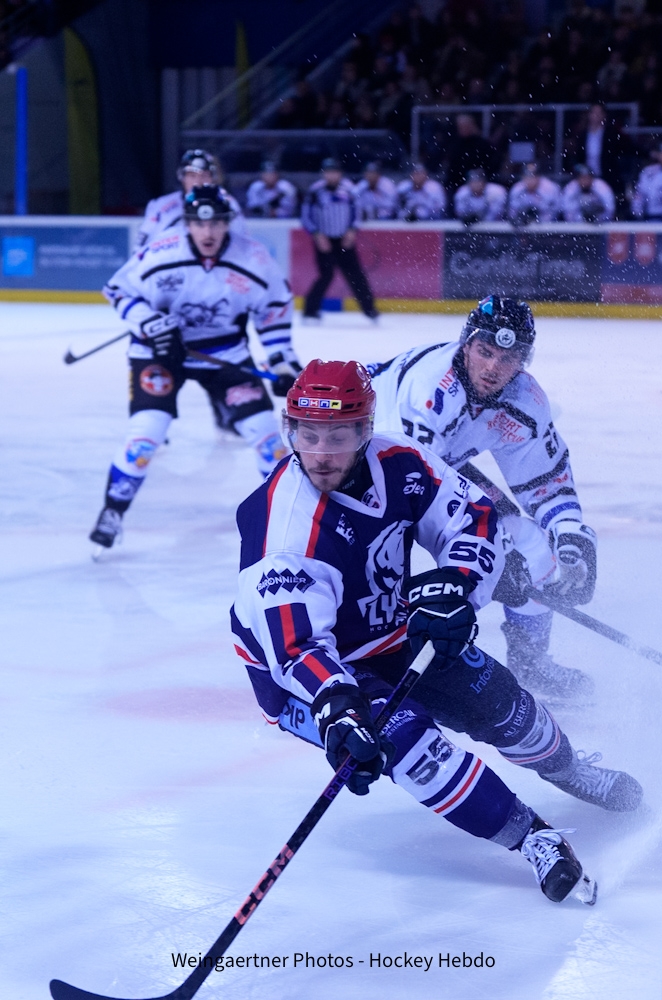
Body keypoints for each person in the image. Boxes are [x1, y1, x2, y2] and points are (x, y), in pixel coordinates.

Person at [231, 359, 603, 907]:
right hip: (307, 675)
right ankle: (535, 839)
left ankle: (570, 769)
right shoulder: (280, 528)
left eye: (339, 434)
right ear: (290, 432)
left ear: (364, 430)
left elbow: (472, 519)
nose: (322, 452)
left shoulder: (398, 459)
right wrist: (337, 707)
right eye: (308, 435)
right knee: (407, 743)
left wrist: (456, 584)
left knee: (504, 704)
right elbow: (296, 645)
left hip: (390, 629)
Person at [369, 295, 602, 702]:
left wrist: (570, 533)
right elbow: (412, 495)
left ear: (524, 361)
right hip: (356, 457)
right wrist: (491, 553)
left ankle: (531, 663)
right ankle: (367, 657)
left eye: (508, 358)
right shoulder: (430, 395)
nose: (494, 367)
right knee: (376, 562)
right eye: (485, 351)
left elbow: (544, 481)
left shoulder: (525, 403)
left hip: (433, 464)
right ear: (466, 345)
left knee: (534, 546)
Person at [89, 186, 302, 552]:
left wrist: (282, 361)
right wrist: (151, 324)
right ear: (187, 223)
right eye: (199, 224)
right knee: (146, 434)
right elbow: (118, 290)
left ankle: (289, 517)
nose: (208, 233)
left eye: (217, 223)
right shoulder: (161, 251)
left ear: (227, 223)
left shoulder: (253, 258)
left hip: (225, 355)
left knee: (266, 435)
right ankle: (112, 511)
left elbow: (274, 311)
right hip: (159, 352)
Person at [301, 158, 378, 323]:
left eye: (334, 172)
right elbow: (306, 216)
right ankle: (310, 311)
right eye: (328, 172)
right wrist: (317, 235)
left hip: (344, 240)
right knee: (326, 275)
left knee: (356, 275)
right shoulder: (315, 191)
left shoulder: (349, 190)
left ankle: (370, 310)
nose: (331, 176)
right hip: (324, 241)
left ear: (340, 174)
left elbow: (357, 213)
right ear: (324, 174)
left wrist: (352, 231)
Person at [134, 149, 246, 249]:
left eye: (205, 176)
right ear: (182, 178)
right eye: (192, 176)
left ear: (213, 178)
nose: (198, 181)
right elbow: (141, 247)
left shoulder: (228, 203)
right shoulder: (160, 205)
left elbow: (240, 244)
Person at [632, 142, 662, 221]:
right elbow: (640, 194)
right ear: (658, 154)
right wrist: (637, 212)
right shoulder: (649, 172)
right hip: (652, 216)